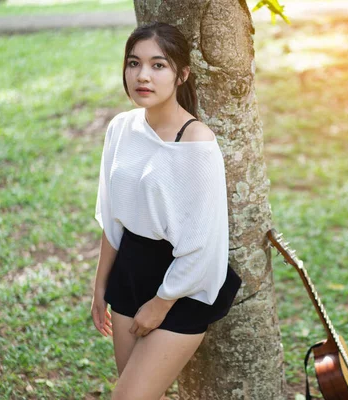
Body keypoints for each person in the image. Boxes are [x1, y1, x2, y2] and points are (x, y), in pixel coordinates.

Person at [89, 22, 242, 400]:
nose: (142, 75)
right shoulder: (121, 128)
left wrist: (161, 303)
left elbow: (203, 243)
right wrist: (100, 286)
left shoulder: (196, 143)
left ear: (181, 74)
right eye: (133, 63)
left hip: (183, 283)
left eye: (158, 65)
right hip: (130, 269)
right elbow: (113, 216)